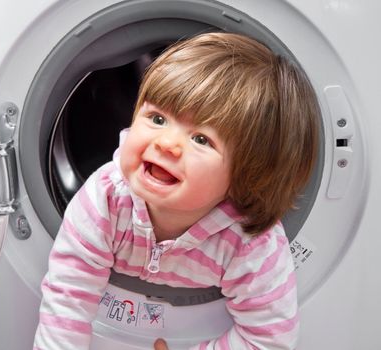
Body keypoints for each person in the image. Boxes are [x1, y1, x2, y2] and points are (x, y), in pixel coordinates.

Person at [33, 32, 319, 350]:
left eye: (201, 139)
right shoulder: (105, 200)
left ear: (246, 175)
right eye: (157, 118)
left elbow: (268, 340)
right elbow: (67, 303)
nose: (167, 143)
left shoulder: (251, 244)